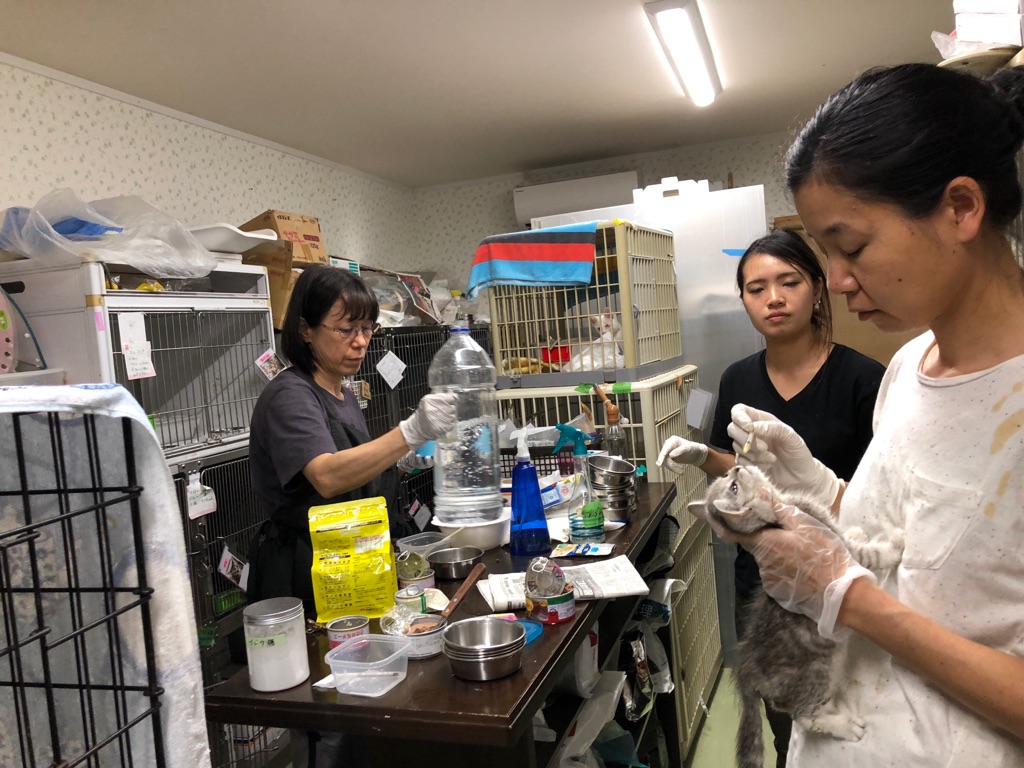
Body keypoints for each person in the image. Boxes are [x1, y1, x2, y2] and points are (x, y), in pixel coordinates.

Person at [698, 63, 1024, 766]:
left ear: (961, 208)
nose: (839, 281)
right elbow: (909, 540)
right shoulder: (908, 367)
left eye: (852, 248)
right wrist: (816, 488)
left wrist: (848, 599)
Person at [657, 228, 884, 766]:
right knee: (788, 726)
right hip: (762, 581)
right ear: (744, 300)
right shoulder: (738, 378)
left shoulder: (863, 379)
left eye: (790, 282)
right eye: (757, 289)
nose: (774, 299)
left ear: (818, 289)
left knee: (854, 723)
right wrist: (702, 456)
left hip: (843, 578)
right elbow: (742, 471)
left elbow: (878, 498)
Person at [247, 266, 457, 767]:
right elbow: (326, 475)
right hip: (304, 573)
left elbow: (357, 471)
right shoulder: (291, 395)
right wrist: (408, 432)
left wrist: (400, 460)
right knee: (325, 714)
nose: (360, 341)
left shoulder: (340, 390)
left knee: (359, 703)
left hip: (347, 566)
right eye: (346, 329)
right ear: (305, 329)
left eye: (367, 328)